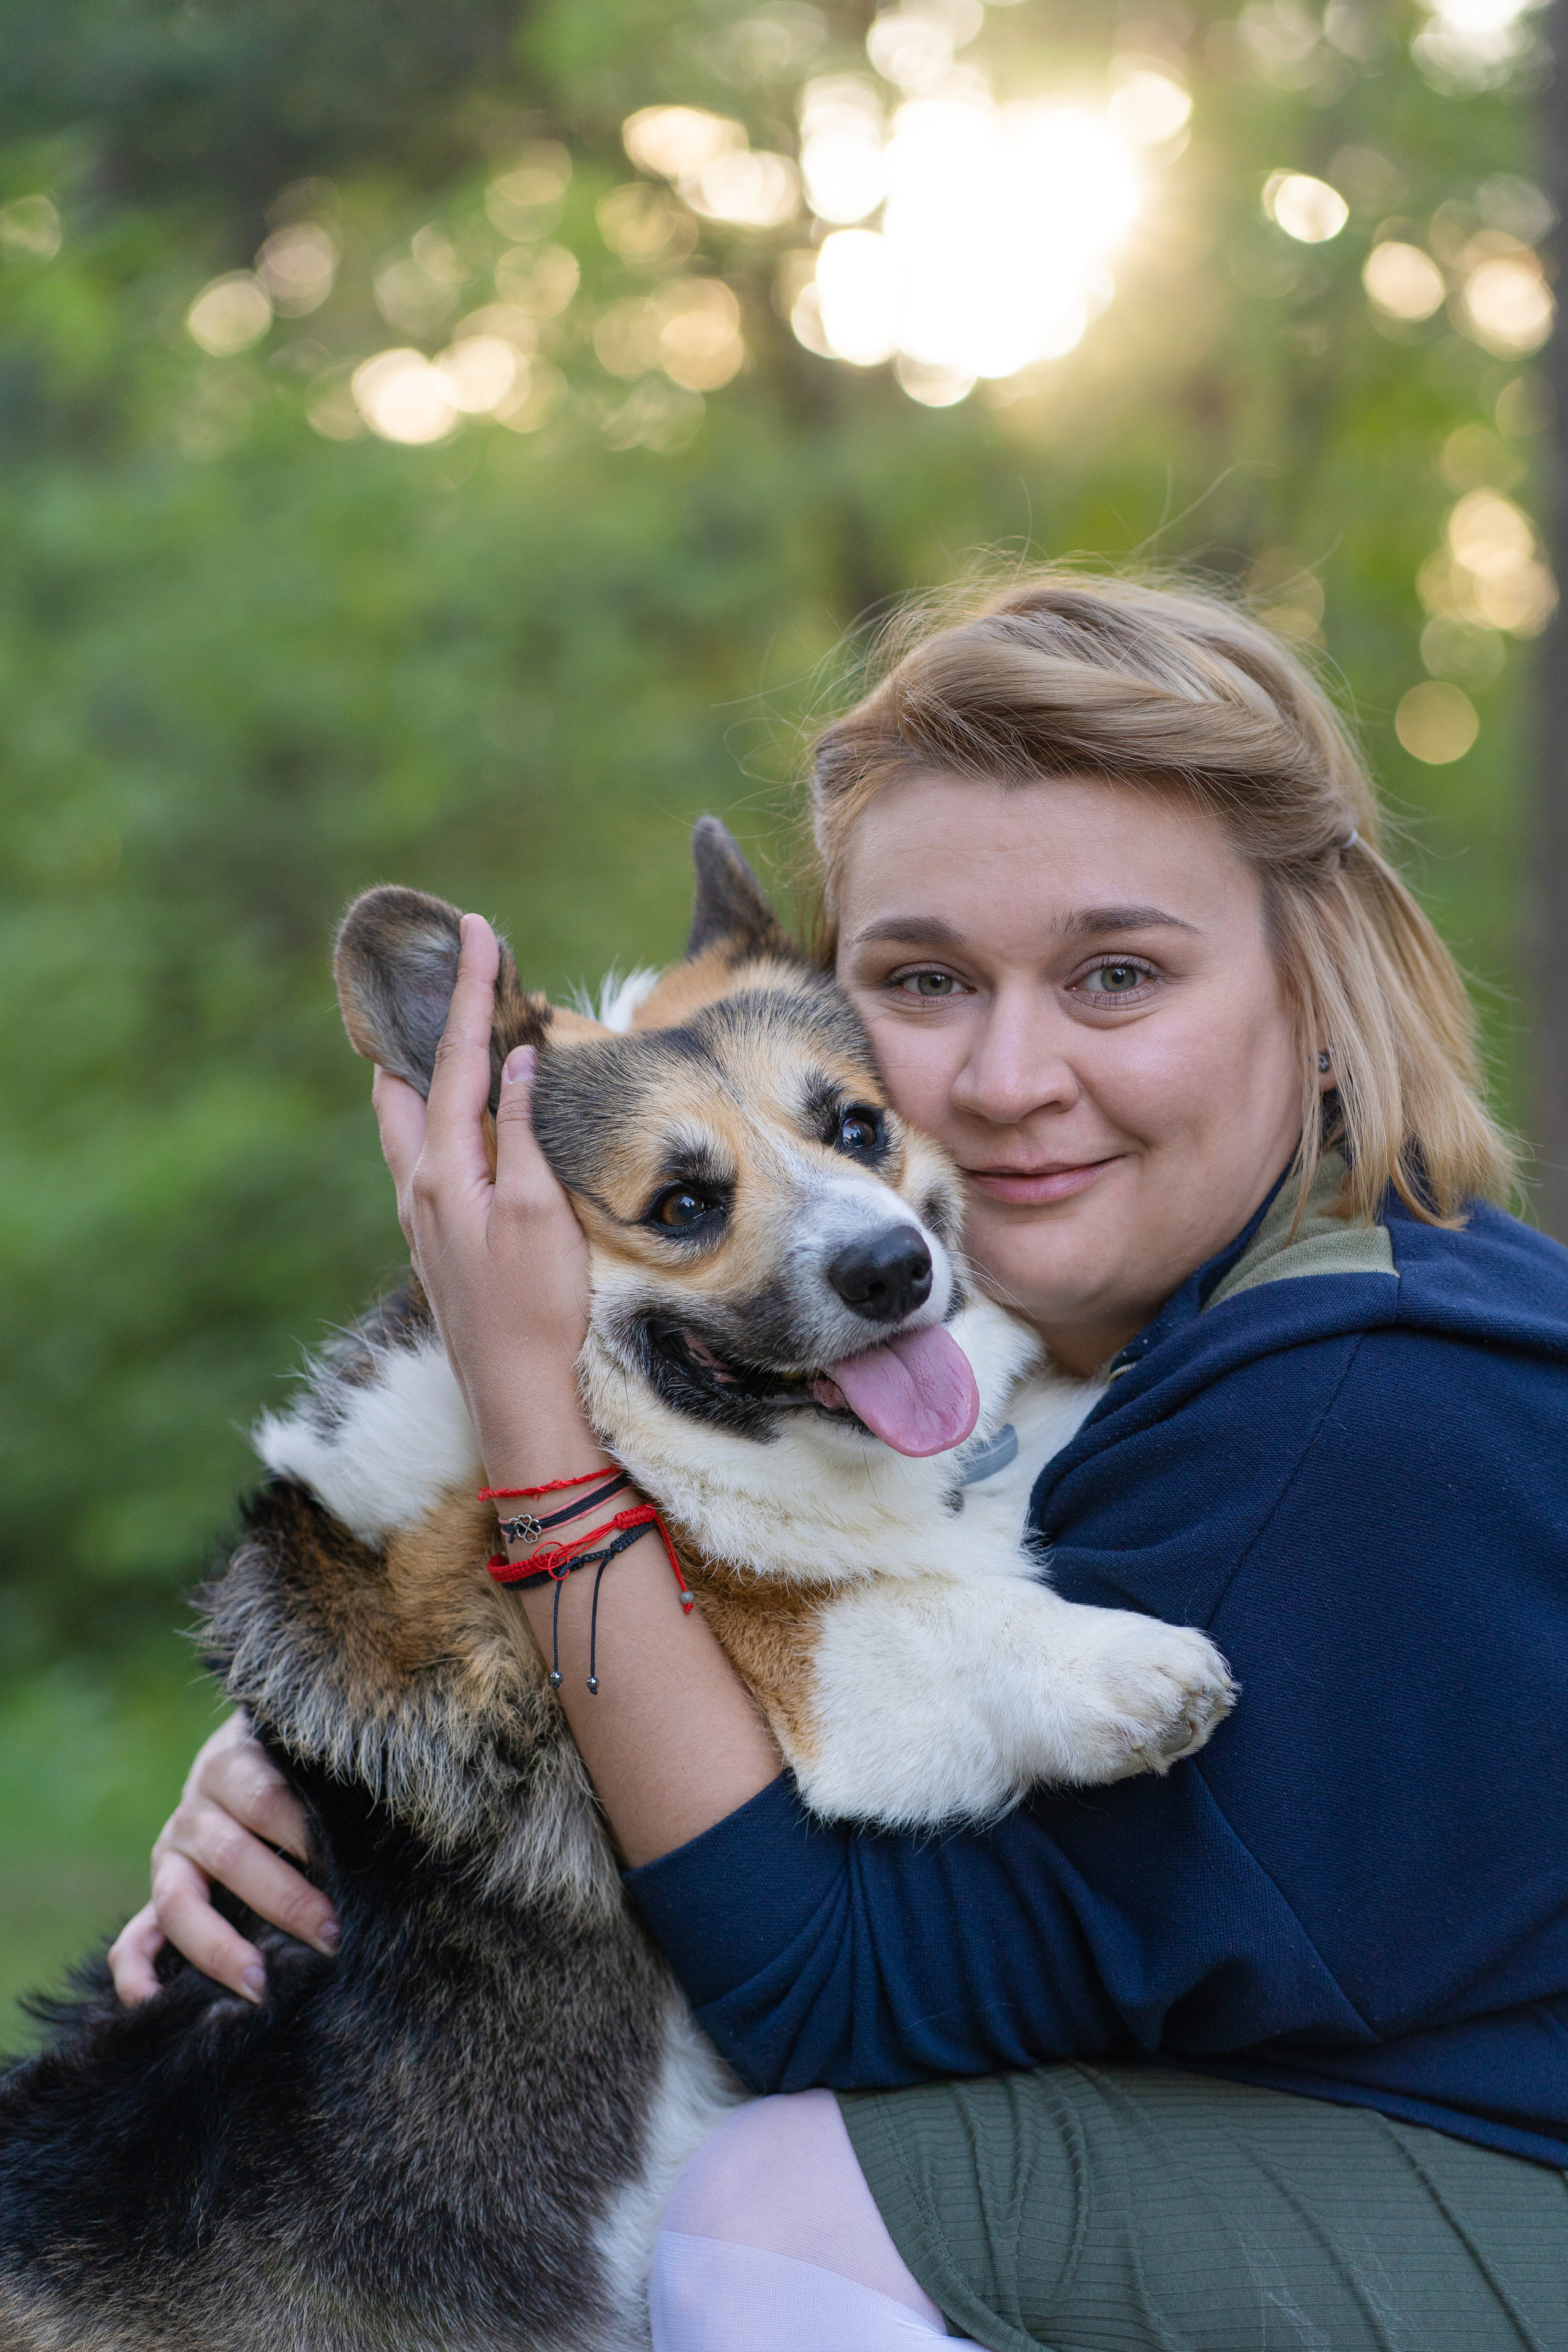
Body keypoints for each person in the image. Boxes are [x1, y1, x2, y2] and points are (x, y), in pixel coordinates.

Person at [110, 575, 1568, 2350]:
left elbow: (839, 1982)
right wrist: (374, 1731)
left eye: (1119, 975)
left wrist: (531, 1448)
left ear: (1313, 984)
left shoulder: (1367, 1416)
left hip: (1506, 2190)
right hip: (1366, 2141)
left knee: (780, 2217)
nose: (1013, 1074)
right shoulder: (1166, 1339)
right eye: (927, 982)